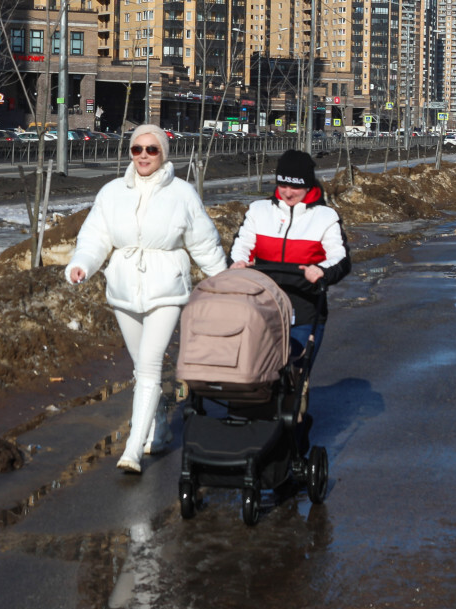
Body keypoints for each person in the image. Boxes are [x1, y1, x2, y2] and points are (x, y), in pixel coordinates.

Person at [66, 123, 227, 476]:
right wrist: (82, 264)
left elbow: (203, 241)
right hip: (123, 289)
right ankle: (161, 427)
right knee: (142, 369)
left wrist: (223, 280)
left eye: (151, 150)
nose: (143, 156)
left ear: (163, 154)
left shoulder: (182, 194)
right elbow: (95, 237)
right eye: (137, 149)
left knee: (151, 366)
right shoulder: (111, 192)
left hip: (167, 288)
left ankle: (133, 447)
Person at [228, 149, 350, 365]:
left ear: (308, 185)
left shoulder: (325, 217)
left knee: (293, 372)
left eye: (295, 186)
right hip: (262, 306)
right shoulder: (259, 211)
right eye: (283, 185)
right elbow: (242, 246)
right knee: (252, 370)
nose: (288, 192)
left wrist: (321, 271)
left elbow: (339, 258)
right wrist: (238, 262)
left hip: (304, 310)